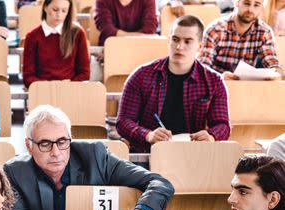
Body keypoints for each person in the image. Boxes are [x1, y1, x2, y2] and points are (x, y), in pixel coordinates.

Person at [0, 105, 174, 210]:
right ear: (29, 145)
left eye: (62, 142)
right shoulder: (14, 171)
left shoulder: (95, 157)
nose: (56, 152)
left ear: (70, 139)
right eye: (45, 144)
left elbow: (160, 183)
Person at [116, 15, 230, 153]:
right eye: (175, 39)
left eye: (188, 41)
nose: (179, 46)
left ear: (200, 46)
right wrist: (148, 135)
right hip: (149, 154)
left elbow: (222, 125)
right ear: (169, 40)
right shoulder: (141, 75)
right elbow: (123, 121)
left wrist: (211, 136)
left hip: (195, 155)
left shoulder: (214, 81)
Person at [199, 0, 284, 79]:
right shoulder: (215, 29)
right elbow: (203, 66)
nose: (250, 9)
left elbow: (272, 62)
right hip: (215, 85)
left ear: (261, 7)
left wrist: (276, 74)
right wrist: (220, 77)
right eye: (246, 3)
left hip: (246, 87)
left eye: (256, 5)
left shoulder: (264, 32)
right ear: (237, 3)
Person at [22, 0, 90, 88]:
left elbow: (84, 73)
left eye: (64, 11)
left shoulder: (78, 34)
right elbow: (28, 76)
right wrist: (50, 87)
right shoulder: (32, 37)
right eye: (55, 9)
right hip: (42, 91)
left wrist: (67, 86)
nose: (59, 15)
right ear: (45, 7)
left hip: (71, 90)